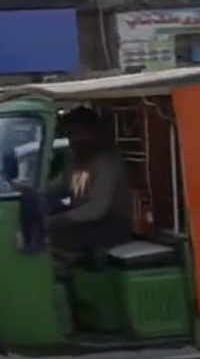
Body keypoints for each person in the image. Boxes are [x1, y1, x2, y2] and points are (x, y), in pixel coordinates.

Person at [45, 107, 134, 260]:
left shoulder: (107, 161)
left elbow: (96, 210)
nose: (73, 140)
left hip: (111, 226)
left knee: (45, 239)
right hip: (85, 223)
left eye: (78, 133)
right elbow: (59, 185)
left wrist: (53, 222)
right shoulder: (76, 159)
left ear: (93, 132)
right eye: (70, 134)